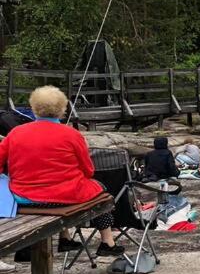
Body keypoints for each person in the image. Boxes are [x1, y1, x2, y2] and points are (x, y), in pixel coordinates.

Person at [0, 86, 123, 256]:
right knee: (100, 191)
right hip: (65, 197)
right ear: (62, 109)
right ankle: (107, 242)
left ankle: (65, 238)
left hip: (24, 198)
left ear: (34, 108)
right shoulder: (72, 134)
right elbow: (88, 170)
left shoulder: (15, 133)